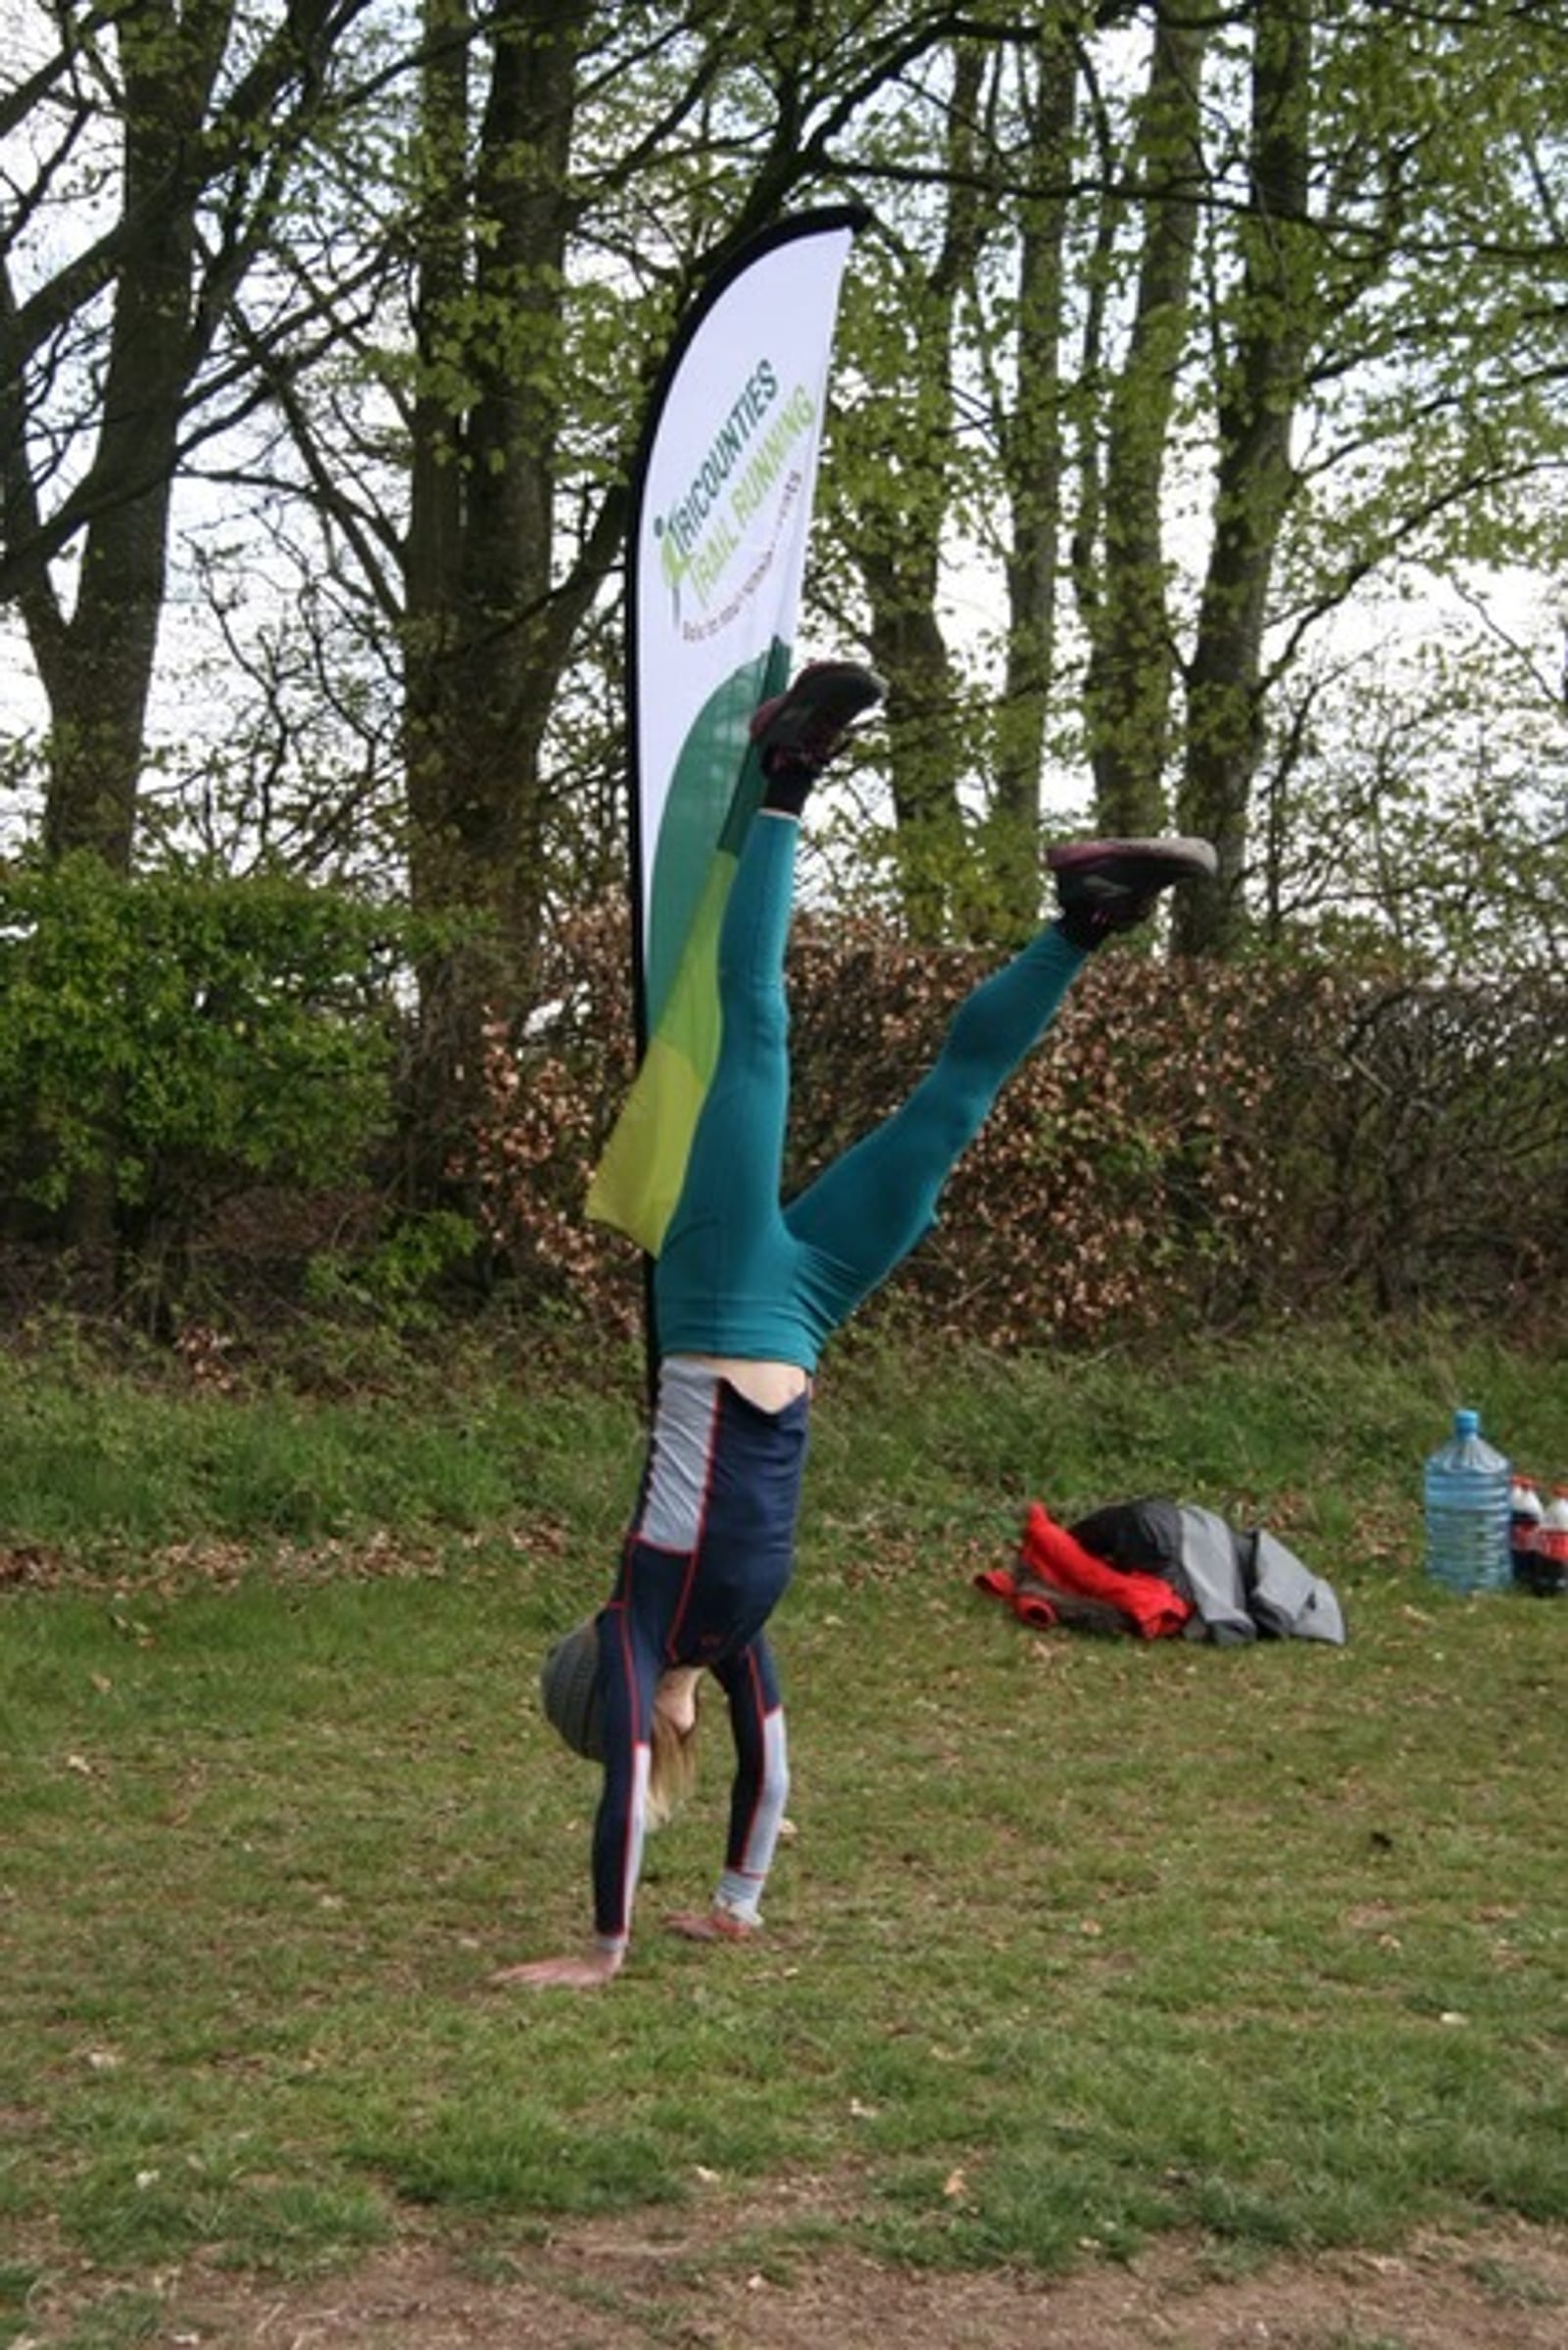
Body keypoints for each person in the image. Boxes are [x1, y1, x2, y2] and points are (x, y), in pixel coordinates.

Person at [496, 661, 1216, 1989]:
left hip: (713, 1293)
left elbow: (632, 1784)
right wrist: (738, 1901)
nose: (671, 1732)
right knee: (947, 1116)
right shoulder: (723, 1635)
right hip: (808, 1309)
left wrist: (601, 1952)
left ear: (615, 1714)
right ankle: (1084, 917)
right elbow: (769, 1757)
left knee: (753, 1031)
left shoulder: (644, 1616)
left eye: (637, 1735)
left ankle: (788, 771)